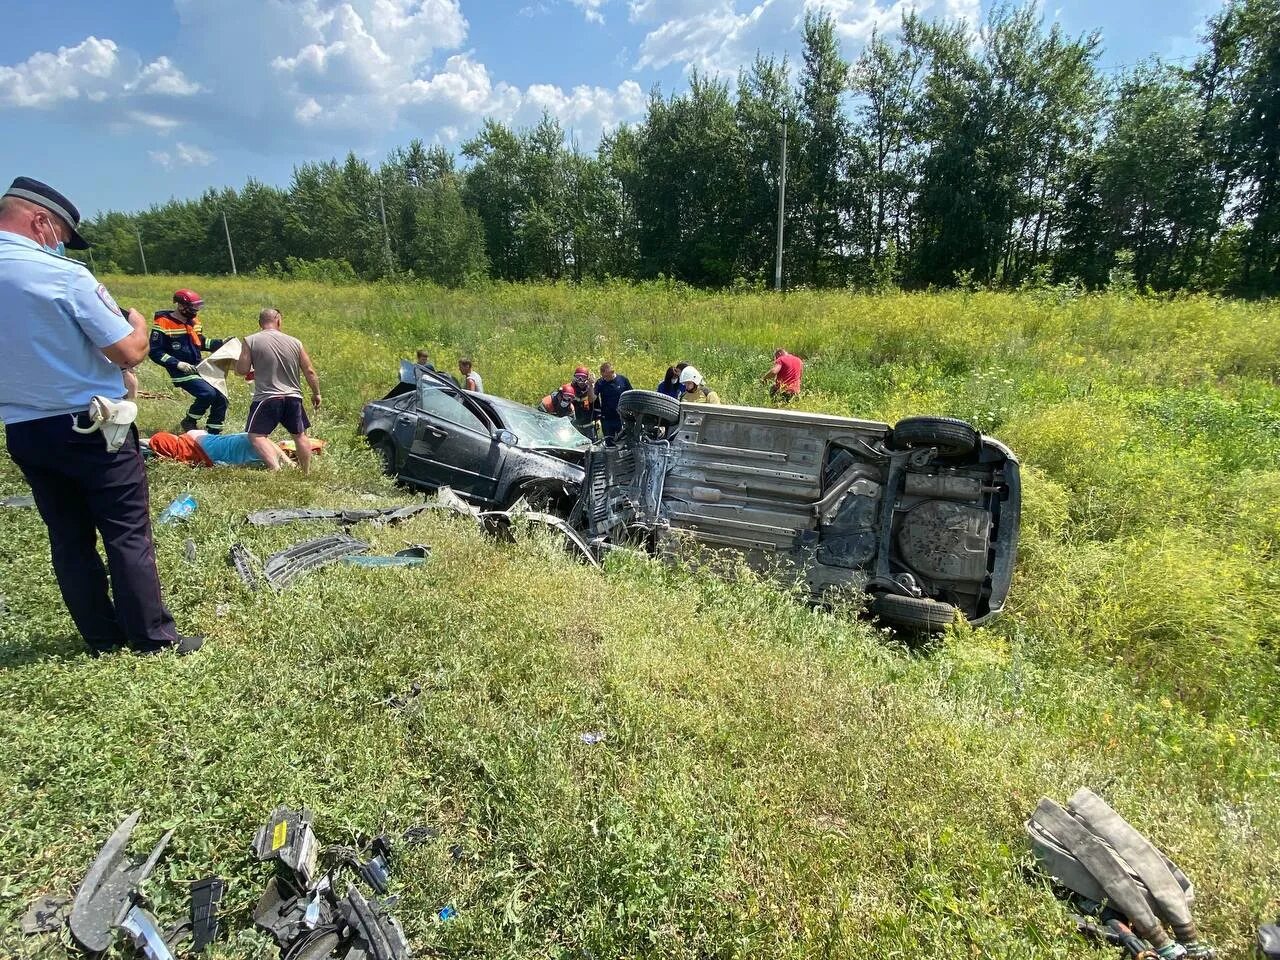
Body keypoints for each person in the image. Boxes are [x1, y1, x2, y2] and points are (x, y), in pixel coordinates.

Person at [0, 176, 202, 656]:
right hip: (92, 427)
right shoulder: (61, 275)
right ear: (41, 221)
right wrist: (135, 322)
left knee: (68, 537)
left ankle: (100, 637)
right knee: (125, 532)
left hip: (24, 428)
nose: (62, 247)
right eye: (63, 237)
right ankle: (151, 639)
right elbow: (129, 353)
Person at [235, 308, 321, 474]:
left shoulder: (250, 340)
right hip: (293, 397)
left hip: (267, 398)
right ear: (279, 321)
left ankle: (276, 469)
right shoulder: (296, 342)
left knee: (256, 436)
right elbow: (309, 371)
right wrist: (316, 392)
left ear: (260, 323)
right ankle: (306, 473)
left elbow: (242, 370)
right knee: (300, 435)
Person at [149, 288, 228, 434]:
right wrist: (177, 363)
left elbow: (201, 342)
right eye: (193, 308)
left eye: (197, 307)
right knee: (207, 394)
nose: (196, 311)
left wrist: (221, 343)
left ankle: (214, 433)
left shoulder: (194, 322)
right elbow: (155, 352)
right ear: (180, 306)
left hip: (199, 366)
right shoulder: (163, 323)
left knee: (221, 396)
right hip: (180, 370)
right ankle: (189, 421)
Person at [593, 362, 634, 440]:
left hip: (621, 417)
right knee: (609, 442)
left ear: (612, 372)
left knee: (623, 441)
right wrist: (591, 386)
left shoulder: (623, 380)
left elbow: (631, 396)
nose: (605, 378)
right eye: (603, 376)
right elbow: (593, 399)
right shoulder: (600, 382)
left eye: (606, 376)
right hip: (606, 418)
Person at [569, 365, 596, 438]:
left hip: (589, 426)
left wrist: (591, 386)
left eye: (583, 377)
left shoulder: (591, 389)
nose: (580, 381)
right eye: (578, 377)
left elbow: (594, 401)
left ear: (587, 378)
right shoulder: (571, 389)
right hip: (575, 426)